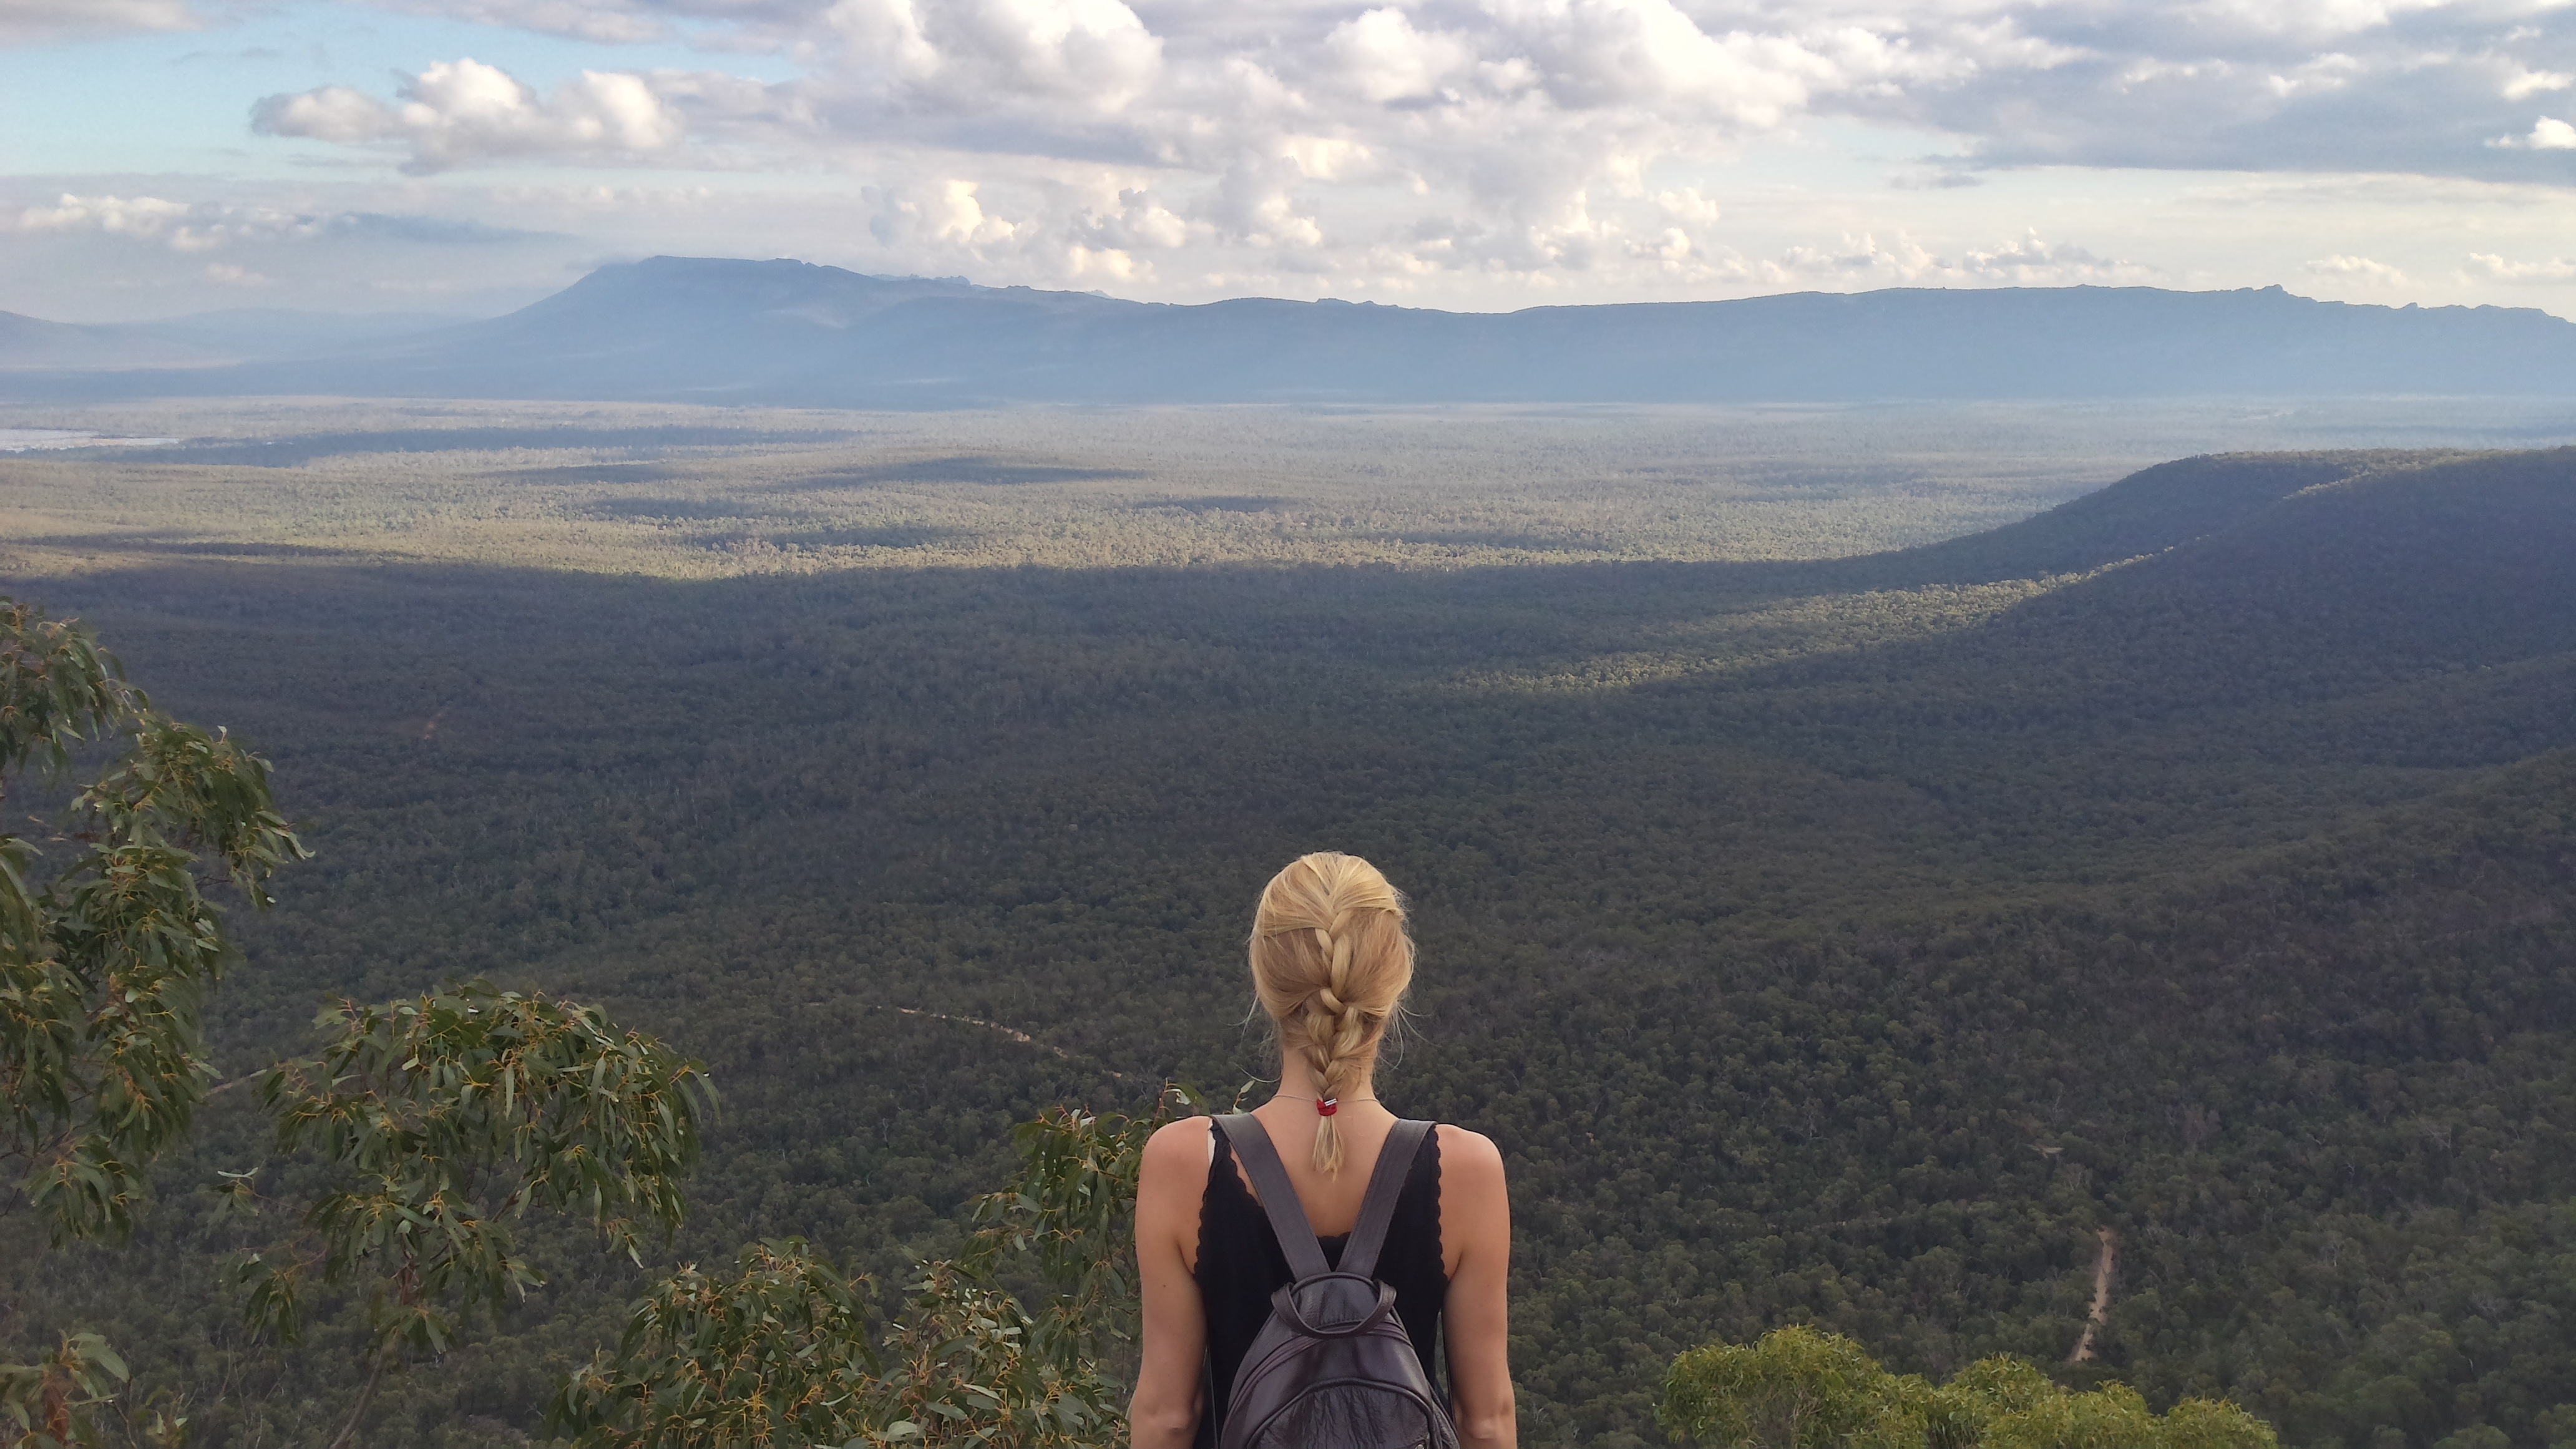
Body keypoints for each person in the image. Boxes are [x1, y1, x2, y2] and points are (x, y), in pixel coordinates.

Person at [1129, 851, 1517, 1449]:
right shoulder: (1468, 1169)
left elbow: (1169, 1415)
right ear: (1394, 984)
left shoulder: (1182, 1163)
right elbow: (1484, 1421)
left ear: (1265, 981)